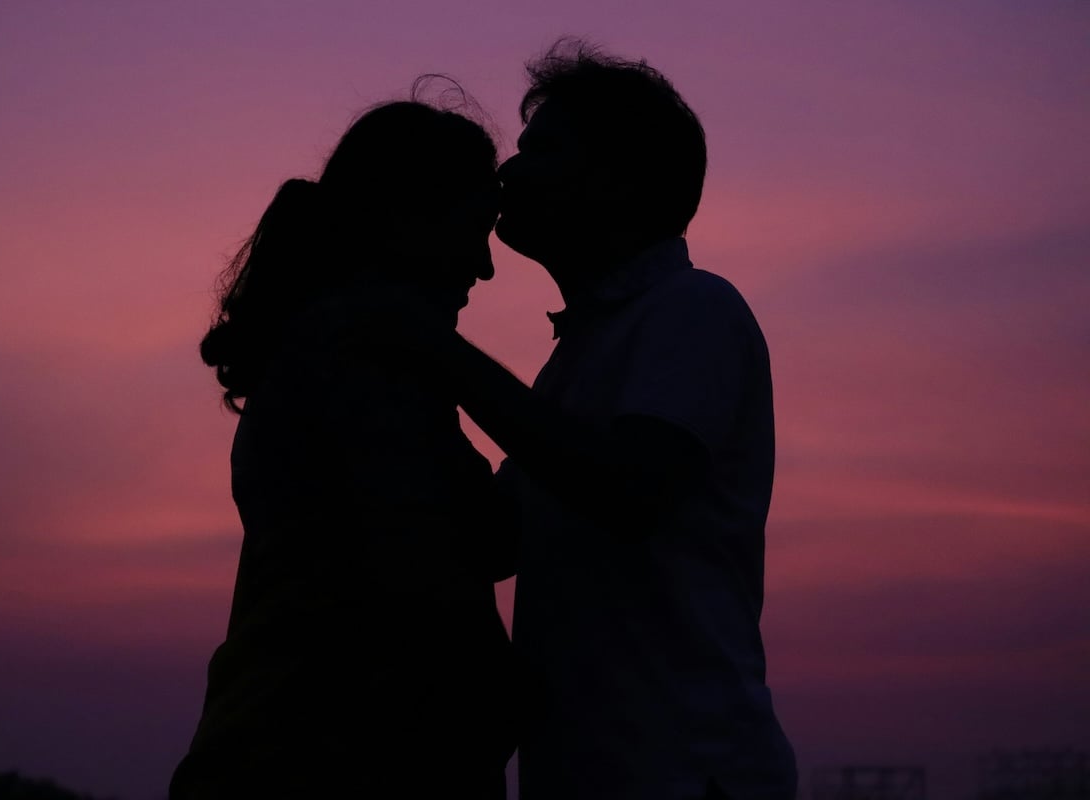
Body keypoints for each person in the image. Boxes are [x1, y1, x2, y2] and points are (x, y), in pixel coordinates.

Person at [421, 41, 797, 798]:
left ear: (621, 181)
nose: (510, 172)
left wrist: (432, 350)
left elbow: (627, 491)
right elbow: (497, 540)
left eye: (543, 151)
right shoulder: (587, 349)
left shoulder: (694, 310)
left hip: (687, 771)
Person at [169, 92, 516, 800]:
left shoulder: (344, 353)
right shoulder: (360, 362)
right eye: (474, 230)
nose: (484, 267)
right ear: (406, 221)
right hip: (322, 764)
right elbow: (466, 547)